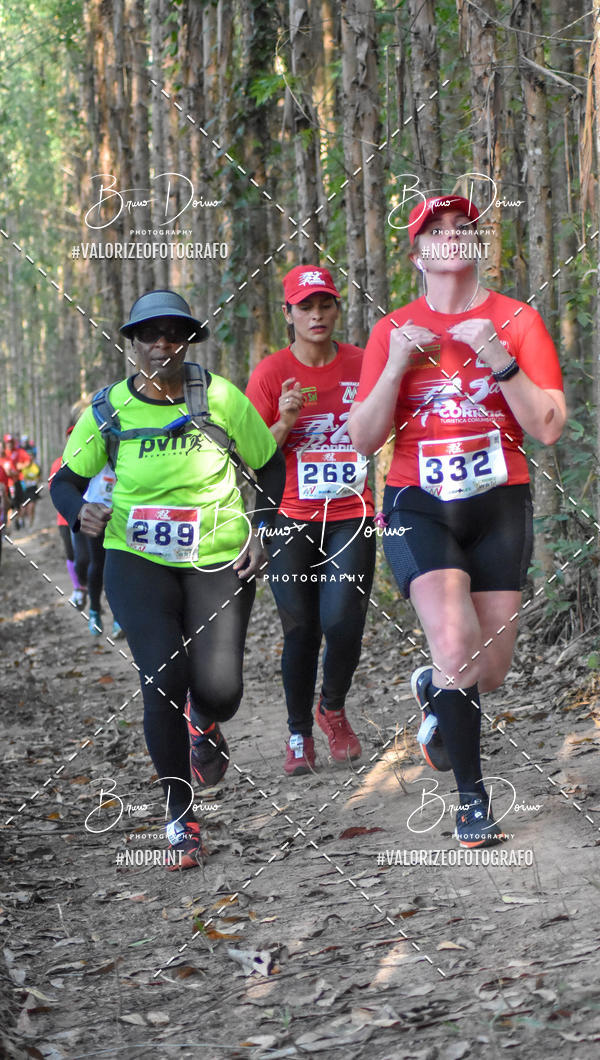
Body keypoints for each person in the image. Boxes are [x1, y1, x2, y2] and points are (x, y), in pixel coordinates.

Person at [349, 195, 565, 848]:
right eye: (434, 232)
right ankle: (473, 802)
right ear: (416, 256)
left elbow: (549, 427)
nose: (450, 238)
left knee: (487, 668)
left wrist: (499, 358)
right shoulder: (394, 329)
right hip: (417, 502)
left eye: (462, 229)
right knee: (454, 642)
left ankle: (435, 694)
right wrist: (394, 366)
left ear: (476, 246)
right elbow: (361, 439)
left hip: (500, 503)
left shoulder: (517, 320)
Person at [51, 289, 285, 868]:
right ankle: (180, 819)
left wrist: (262, 530)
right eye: (149, 334)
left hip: (218, 557)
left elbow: (271, 466)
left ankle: (205, 724)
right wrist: (81, 509)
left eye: (173, 333)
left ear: (187, 341)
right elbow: (63, 481)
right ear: (131, 344)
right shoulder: (107, 410)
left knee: (220, 692)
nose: (161, 344)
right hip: (137, 558)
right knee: (162, 676)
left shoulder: (221, 397)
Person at [246, 265, 375, 775]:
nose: (317, 314)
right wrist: (285, 421)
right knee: (301, 627)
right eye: (305, 306)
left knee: (344, 623)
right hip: (290, 517)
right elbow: (254, 457)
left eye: (325, 304)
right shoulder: (271, 373)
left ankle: (333, 707)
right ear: (288, 314)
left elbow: (385, 427)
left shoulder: (364, 363)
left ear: (337, 308)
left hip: (351, 512)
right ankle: (299, 734)